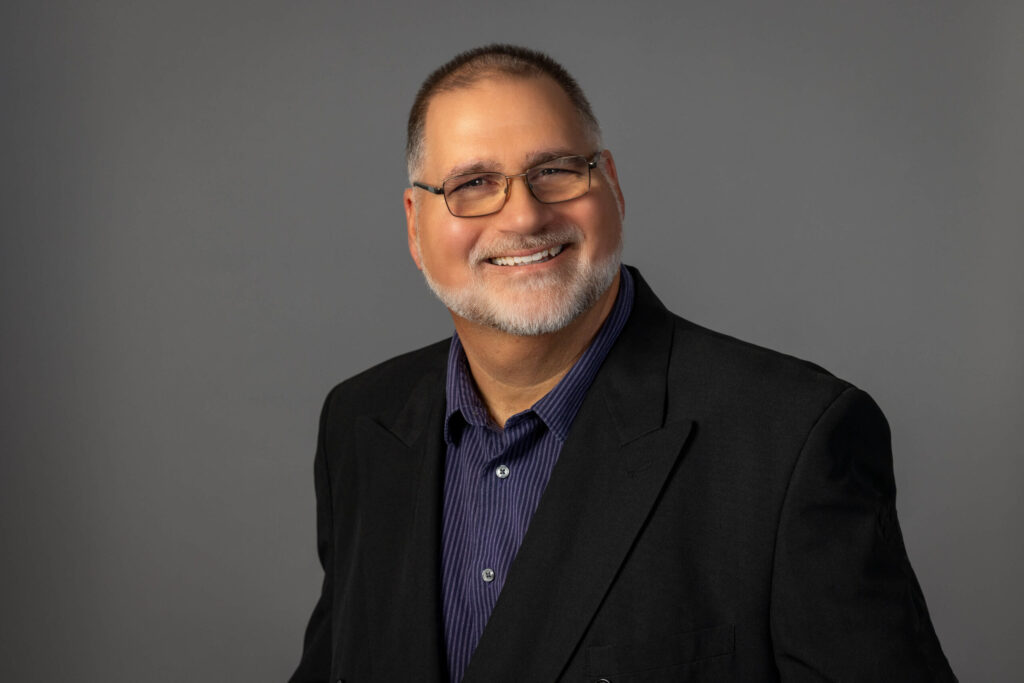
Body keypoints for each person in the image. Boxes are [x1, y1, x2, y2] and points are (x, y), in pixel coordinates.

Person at [289, 44, 956, 682]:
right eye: (473, 183)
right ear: (414, 224)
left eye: (554, 169)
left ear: (611, 184)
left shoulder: (790, 441)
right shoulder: (359, 422)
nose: (523, 215)